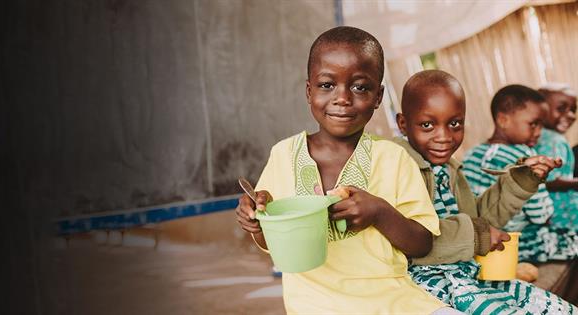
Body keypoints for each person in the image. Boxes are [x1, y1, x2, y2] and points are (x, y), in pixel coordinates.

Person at [235, 26, 456, 314]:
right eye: (327, 85)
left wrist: (379, 211)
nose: (342, 98)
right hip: (316, 305)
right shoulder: (284, 155)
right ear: (308, 90)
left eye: (359, 87)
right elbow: (274, 245)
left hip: (395, 301)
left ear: (378, 96)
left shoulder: (393, 157)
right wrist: (257, 220)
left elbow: (422, 243)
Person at [393, 70, 575, 314]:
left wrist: (522, 179)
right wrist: (478, 234)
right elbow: (411, 237)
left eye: (455, 123)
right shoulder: (396, 166)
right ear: (403, 124)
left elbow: (480, 219)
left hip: (470, 274)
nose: (444, 136)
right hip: (433, 285)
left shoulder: (449, 169)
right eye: (427, 125)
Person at [462, 85, 578, 264]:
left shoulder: (472, 153)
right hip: (519, 242)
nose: (539, 132)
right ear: (503, 120)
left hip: (480, 239)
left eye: (541, 125)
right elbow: (541, 214)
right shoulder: (524, 158)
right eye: (533, 124)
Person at [534, 83, 578, 230]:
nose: (571, 115)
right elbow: (549, 180)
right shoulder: (554, 141)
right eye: (561, 108)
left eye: (573, 109)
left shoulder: (539, 137)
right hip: (562, 218)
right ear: (541, 111)